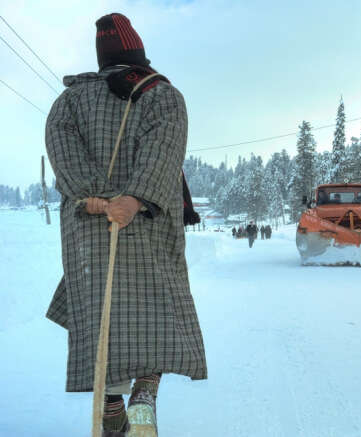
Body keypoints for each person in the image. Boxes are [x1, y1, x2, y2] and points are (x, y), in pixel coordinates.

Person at [44, 13, 207, 437]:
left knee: (103, 310)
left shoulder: (68, 102)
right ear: (137, 54)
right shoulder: (162, 95)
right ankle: (145, 393)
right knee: (155, 305)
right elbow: (164, 150)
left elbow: (63, 154)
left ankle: (112, 404)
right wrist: (135, 198)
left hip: (90, 229)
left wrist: (95, 199)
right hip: (149, 225)